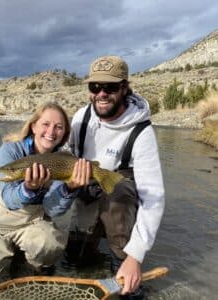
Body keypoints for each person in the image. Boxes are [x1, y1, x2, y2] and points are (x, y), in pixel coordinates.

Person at [66, 56, 165, 299]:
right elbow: (67, 155)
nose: (101, 93)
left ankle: (122, 257)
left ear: (124, 87)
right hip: (87, 192)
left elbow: (153, 197)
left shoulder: (142, 132)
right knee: (75, 261)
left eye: (109, 87)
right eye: (94, 87)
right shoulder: (81, 118)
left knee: (118, 191)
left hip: (119, 197)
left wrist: (135, 256)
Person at [0, 102, 91, 289]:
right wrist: (29, 188)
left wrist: (70, 188)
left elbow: (52, 209)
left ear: (64, 134)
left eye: (58, 127)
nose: (51, 131)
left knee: (49, 245)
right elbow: (8, 199)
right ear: (33, 126)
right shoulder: (10, 151)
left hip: (32, 224)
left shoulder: (63, 162)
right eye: (45, 124)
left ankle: (29, 268)